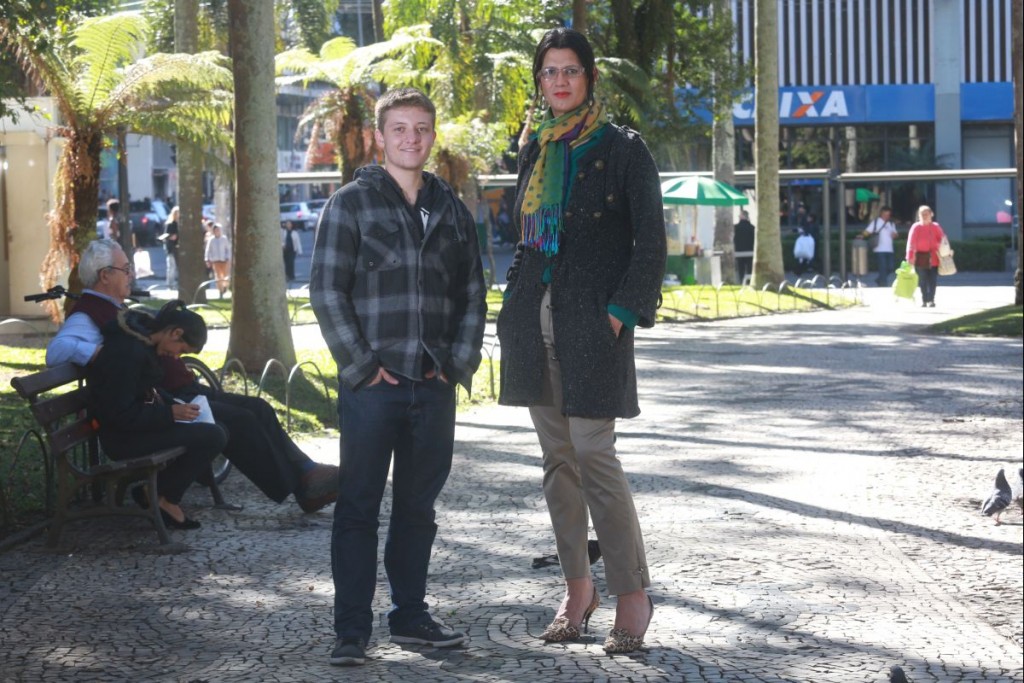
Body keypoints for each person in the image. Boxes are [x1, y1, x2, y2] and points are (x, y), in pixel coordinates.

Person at [496, 28, 666, 655]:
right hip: (534, 318)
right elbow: (528, 241)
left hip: (594, 324)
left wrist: (619, 315)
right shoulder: (534, 149)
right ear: (539, 82)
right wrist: (513, 305)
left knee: (595, 456)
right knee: (557, 465)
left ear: (590, 78)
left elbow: (651, 241)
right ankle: (577, 591)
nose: (560, 81)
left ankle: (632, 595)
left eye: (570, 70)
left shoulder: (622, 149)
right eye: (549, 72)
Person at [310, 87, 487, 667]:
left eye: (422, 128)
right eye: (401, 129)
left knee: (418, 510)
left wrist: (453, 366)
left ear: (432, 137)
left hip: (432, 387)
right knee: (358, 507)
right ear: (379, 138)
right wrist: (362, 367)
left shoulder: (452, 208)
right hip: (372, 390)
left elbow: (473, 293)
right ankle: (351, 632)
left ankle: (410, 616)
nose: (412, 138)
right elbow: (327, 291)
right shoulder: (350, 205)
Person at [46, 239, 339, 514]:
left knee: (258, 408)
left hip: (179, 389)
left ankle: (305, 471)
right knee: (241, 420)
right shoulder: (86, 315)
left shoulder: (113, 308)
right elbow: (57, 351)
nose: (131, 275)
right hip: (166, 399)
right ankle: (302, 487)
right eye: (125, 269)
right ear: (105, 275)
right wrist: (99, 354)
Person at [86, 301, 226, 529]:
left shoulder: (142, 345)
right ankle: (161, 496)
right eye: (180, 350)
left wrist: (174, 406)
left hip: (136, 428)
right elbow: (120, 414)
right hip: (122, 438)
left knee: (216, 431)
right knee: (213, 436)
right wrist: (170, 413)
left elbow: (143, 393)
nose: (175, 356)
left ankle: (160, 495)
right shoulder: (127, 353)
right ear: (175, 332)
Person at [905, 205, 946, 307]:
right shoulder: (916, 227)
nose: (924, 216)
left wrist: (942, 249)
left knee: (932, 280)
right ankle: (924, 299)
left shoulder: (936, 227)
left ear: (931, 215)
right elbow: (911, 243)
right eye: (922, 214)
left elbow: (943, 240)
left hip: (934, 257)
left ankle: (931, 299)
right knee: (922, 280)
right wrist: (909, 257)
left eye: (926, 214)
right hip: (920, 256)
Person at [861, 206, 899, 286]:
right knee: (883, 267)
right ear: (881, 214)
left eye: (888, 215)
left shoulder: (891, 223)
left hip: (889, 249)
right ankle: (883, 284)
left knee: (890, 267)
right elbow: (867, 231)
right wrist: (861, 236)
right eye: (885, 215)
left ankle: (879, 279)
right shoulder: (875, 222)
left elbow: (895, 234)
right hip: (879, 249)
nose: (886, 217)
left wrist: (894, 235)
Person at [204, 223, 231, 297]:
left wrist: (228, 257)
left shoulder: (224, 239)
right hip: (216, 261)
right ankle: (220, 291)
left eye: (218, 230)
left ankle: (225, 287)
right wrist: (207, 259)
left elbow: (228, 249)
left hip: (224, 260)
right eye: (215, 230)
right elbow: (208, 250)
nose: (217, 231)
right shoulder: (211, 240)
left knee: (225, 276)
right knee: (218, 277)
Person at [733, 210, 755, 283]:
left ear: (742, 216)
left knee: (740, 269)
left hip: (739, 252)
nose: (739, 217)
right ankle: (749, 282)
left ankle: (741, 282)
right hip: (750, 251)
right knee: (750, 269)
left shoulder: (735, 228)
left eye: (739, 215)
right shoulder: (752, 228)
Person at [161, 206, 180, 289]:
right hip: (171, 248)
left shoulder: (180, 224)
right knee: (171, 266)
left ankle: (177, 283)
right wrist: (171, 237)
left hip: (179, 248)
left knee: (177, 267)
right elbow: (165, 236)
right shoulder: (170, 224)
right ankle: (170, 284)